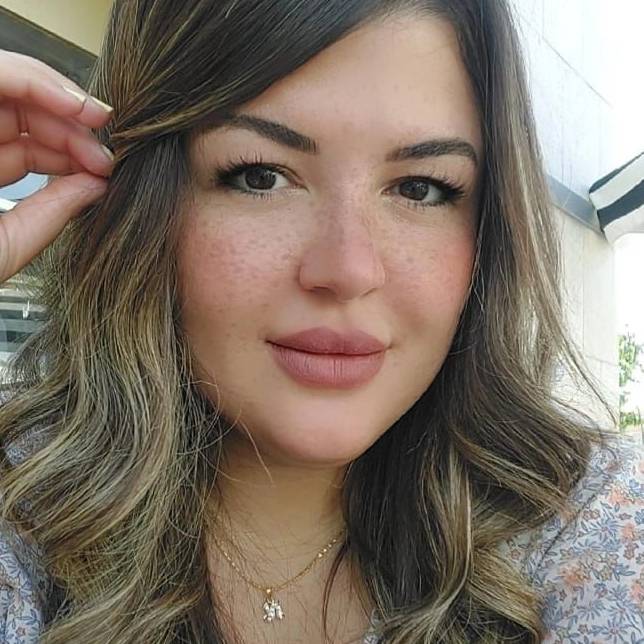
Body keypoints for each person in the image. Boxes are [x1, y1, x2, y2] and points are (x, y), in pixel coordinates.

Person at [0, 0, 641, 642]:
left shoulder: (594, 524)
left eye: (420, 187)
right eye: (260, 177)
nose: (348, 269)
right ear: (142, 202)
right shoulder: (18, 511)